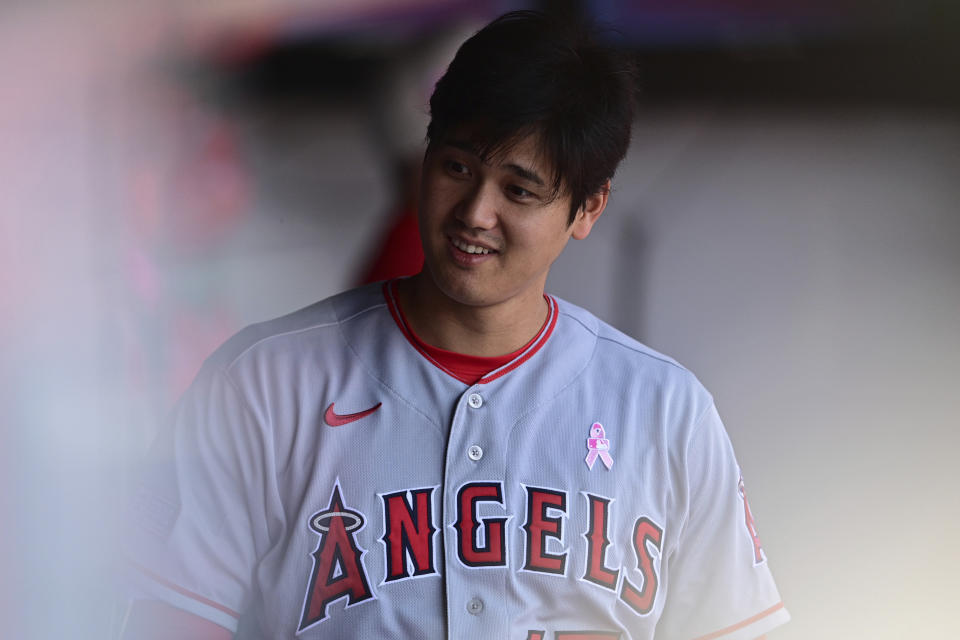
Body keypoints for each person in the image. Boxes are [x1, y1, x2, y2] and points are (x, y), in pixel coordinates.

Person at [121, 10, 789, 640]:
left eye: (519, 190)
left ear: (588, 208)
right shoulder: (262, 384)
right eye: (456, 167)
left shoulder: (667, 412)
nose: (475, 212)